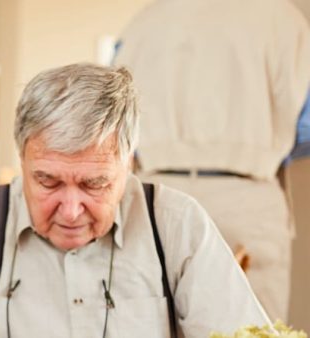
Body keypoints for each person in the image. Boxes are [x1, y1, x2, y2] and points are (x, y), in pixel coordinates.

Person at [0, 63, 268, 338]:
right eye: (47, 181)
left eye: (95, 184)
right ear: (22, 159)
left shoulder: (177, 223)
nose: (71, 210)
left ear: (129, 164)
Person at [113, 0, 310, 321]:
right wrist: (259, 147)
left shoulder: (144, 22)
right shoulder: (283, 18)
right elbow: (306, 125)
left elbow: (112, 119)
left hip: (155, 194)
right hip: (247, 195)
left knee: (156, 323)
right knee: (252, 327)